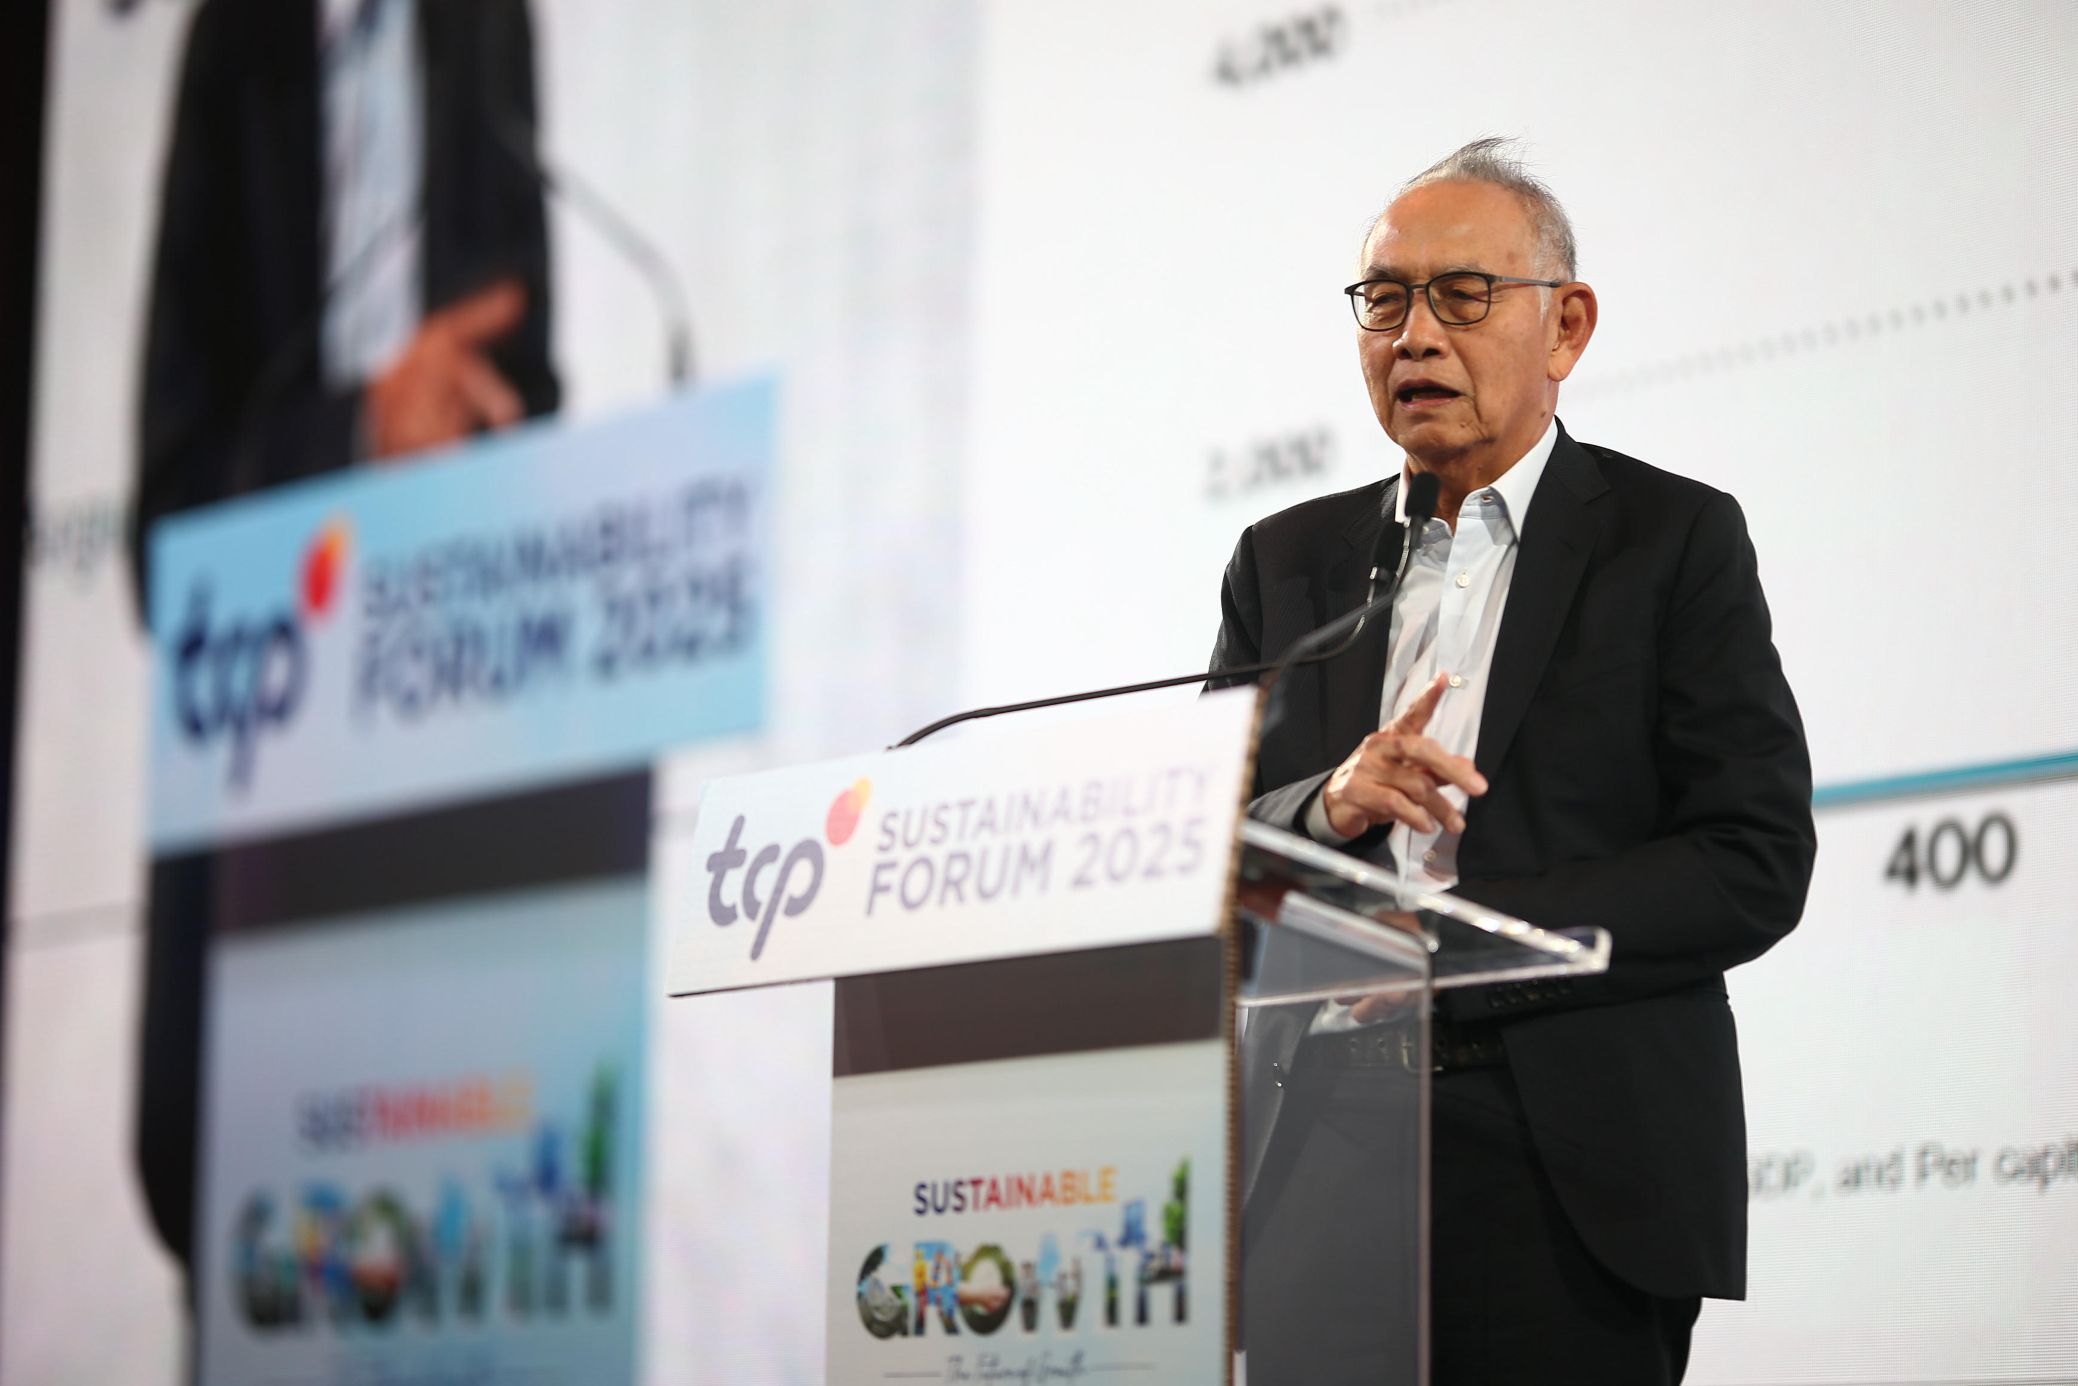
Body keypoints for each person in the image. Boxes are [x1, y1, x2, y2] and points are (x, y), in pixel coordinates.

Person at [1212, 139, 1816, 1384]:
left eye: (1461, 295)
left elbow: (1747, 860)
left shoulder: (1670, 540)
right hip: (1312, 1148)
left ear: (1565, 326)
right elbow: (1197, 849)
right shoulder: (1285, 561)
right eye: (1384, 300)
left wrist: (1450, 942)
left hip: (1561, 1159)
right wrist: (1324, 806)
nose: (1414, 337)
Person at [131, 0, 557, 1275]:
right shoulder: (239, 46)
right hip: (264, 867)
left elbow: (515, 391)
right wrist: (364, 430)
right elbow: (168, 528)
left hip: (457, 850)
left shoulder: (483, 26)